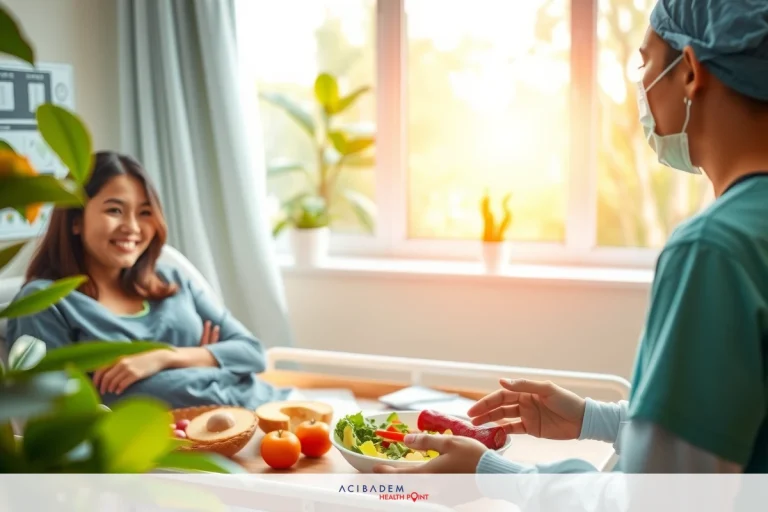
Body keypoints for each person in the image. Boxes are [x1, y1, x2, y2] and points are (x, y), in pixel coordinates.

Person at [376, 0, 768, 476]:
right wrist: (593, 419)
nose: (641, 85)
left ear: (689, 71)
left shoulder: (715, 249)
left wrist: (496, 474)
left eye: (645, 62)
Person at [7, 151, 292, 409]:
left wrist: (165, 357)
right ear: (75, 220)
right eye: (114, 210)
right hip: (177, 443)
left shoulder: (172, 281)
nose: (132, 227)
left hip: (272, 410)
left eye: (145, 213)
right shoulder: (44, 302)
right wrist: (208, 359)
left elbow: (253, 353)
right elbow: (54, 408)